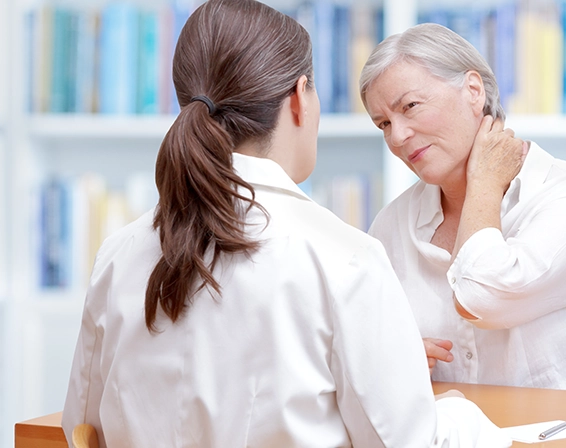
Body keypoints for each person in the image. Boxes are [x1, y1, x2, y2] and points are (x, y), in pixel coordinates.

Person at [61, 2, 512, 446]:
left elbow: (81, 430)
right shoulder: (343, 257)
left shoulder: (119, 253)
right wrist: (457, 413)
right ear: (300, 98)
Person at [359, 23, 566, 392]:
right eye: (383, 123)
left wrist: (483, 183)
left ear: (473, 91)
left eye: (410, 106)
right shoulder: (391, 225)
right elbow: (363, 346)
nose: (396, 137)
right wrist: (393, 358)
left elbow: (481, 298)